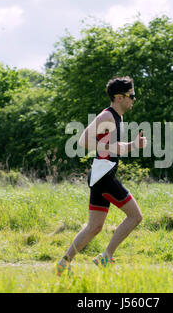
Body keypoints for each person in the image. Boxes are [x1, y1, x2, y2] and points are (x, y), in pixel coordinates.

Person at [56, 76, 147, 275]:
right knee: (135, 216)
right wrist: (108, 147)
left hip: (100, 175)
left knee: (94, 227)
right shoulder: (107, 116)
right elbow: (82, 140)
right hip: (104, 176)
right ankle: (106, 257)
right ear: (119, 97)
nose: (134, 100)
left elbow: (114, 148)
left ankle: (63, 264)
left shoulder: (117, 118)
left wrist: (133, 145)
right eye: (132, 95)